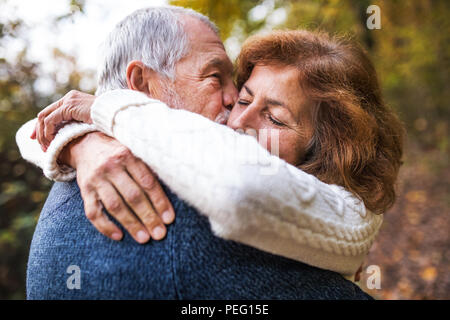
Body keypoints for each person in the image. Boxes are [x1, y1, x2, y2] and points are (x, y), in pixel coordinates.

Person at [16, 6, 403, 299]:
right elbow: (239, 189)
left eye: (275, 117)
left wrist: (81, 138)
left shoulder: (75, 176)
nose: (235, 111)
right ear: (141, 85)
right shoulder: (183, 211)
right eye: (216, 78)